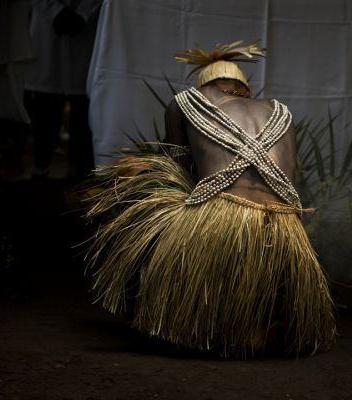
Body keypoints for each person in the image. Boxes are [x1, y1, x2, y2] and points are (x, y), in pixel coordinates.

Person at [85, 40, 336, 358]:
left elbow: (176, 172)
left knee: (157, 213)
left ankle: (196, 321)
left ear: (207, 86)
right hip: (284, 225)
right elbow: (289, 181)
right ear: (245, 90)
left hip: (219, 216)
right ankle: (258, 323)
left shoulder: (185, 102)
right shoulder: (281, 112)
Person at [25, 0, 103, 179]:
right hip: (47, 26)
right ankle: (41, 165)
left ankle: (79, 170)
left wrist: (84, 14)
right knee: (45, 103)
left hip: (86, 28)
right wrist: (55, 12)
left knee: (83, 105)